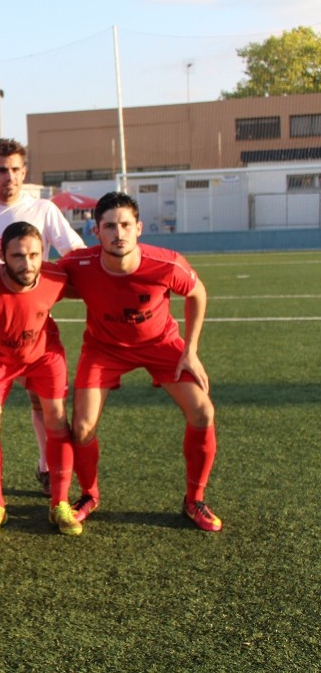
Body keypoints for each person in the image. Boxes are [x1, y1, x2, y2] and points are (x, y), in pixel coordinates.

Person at [59, 191, 222, 532]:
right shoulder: (79, 264)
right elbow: (44, 283)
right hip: (103, 349)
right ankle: (89, 495)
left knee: (203, 412)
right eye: (109, 226)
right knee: (82, 427)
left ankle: (194, 499)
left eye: (125, 225)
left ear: (139, 228)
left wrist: (190, 350)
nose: (118, 233)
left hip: (161, 344)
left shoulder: (166, 263)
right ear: (95, 231)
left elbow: (197, 293)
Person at [0, 138, 86, 501]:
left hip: (33, 326)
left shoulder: (43, 209)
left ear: (24, 172)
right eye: (1, 170)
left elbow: (74, 251)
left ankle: (45, 467)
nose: (8, 176)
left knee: (41, 404)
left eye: (15, 169)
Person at [0, 222, 81, 537]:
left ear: (43, 254)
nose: (27, 264)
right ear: (1, 254)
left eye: (34, 255)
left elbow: (93, 288)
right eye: (17, 256)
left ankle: (60, 503)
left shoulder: (55, 277)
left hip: (44, 356)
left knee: (57, 419)